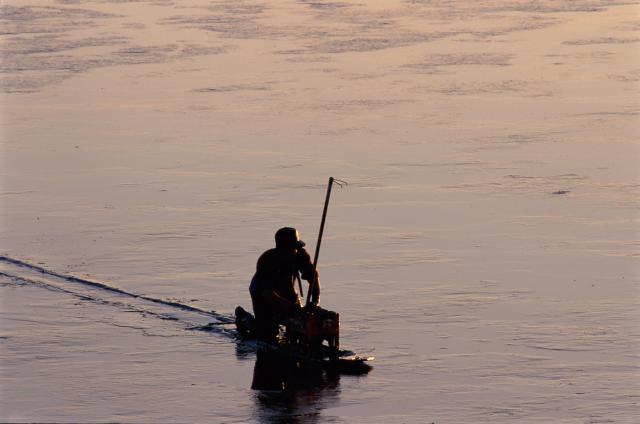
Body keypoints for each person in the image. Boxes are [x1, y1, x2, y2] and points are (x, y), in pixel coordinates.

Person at [249, 227, 320, 341]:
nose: (294, 252)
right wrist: (290, 307)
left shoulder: (300, 254)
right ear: (281, 249)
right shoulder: (267, 260)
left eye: (295, 248)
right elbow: (267, 293)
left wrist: (315, 300)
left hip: (287, 288)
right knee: (267, 332)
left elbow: (313, 277)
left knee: (297, 322)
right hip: (262, 292)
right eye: (291, 249)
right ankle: (250, 322)